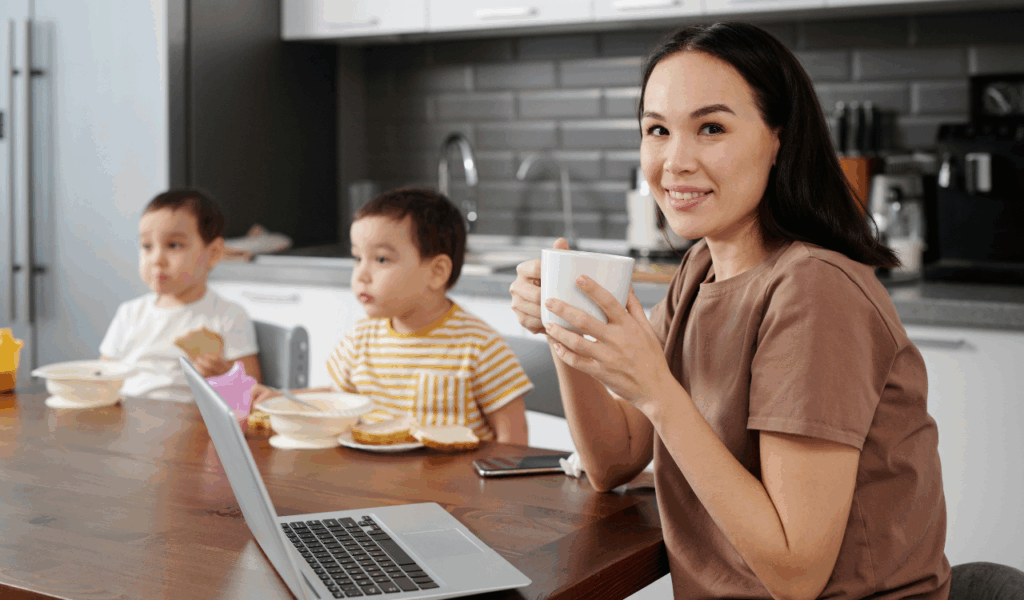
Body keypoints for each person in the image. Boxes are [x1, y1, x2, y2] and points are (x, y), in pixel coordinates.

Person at [510, 22, 950, 600]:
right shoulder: (700, 269)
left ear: (778, 140)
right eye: (657, 130)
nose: (675, 161)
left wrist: (656, 391)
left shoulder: (815, 290)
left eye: (711, 128)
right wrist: (565, 325)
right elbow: (612, 461)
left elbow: (796, 574)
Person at [252, 188, 531, 444]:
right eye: (357, 258)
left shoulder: (480, 346)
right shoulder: (360, 339)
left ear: (436, 273)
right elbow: (338, 399)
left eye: (381, 259)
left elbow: (514, 439)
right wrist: (279, 398)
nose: (361, 275)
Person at [100, 189, 261, 402]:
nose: (156, 259)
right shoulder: (129, 313)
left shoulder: (229, 316)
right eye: (147, 246)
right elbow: (103, 379)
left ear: (213, 253)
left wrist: (225, 377)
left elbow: (251, 394)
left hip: (191, 419)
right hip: (129, 414)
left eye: (174, 245)